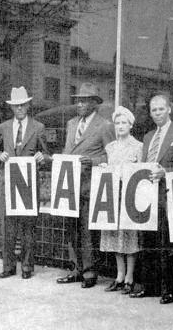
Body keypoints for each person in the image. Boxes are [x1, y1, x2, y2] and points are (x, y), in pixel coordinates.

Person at [130, 95, 173, 303]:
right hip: (147, 196)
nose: (157, 113)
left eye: (161, 109)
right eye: (154, 110)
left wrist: (166, 172)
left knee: (166, 245)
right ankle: (149, 286)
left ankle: (168, 290)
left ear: (169, 109)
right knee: (148, 242)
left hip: (167, 196)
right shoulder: (147, 137)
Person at [56, 82, 115, 289]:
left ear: (94, 104)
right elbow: (66, 151)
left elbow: (112, 155)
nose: (79, 104)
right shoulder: (72, 123)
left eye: (83, 101)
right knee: (71, 229)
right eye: (77, 101)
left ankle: (90, 271)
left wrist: (95, 162)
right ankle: (75, 269)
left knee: (87, 231)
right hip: (69, 184)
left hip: (91, 186)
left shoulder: (105, 125)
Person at [0, 86, 50, 279]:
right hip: (8, 182)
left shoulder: (38, 127)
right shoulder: (4, 127)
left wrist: (42, 157)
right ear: (11, 107)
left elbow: (46, 154)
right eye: (15, 106)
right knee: (8, 226)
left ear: (28, 105)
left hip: (27, 182)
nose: (19, 109)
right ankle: (8, 266)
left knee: (27, 227)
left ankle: (27, 266)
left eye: (22, 105)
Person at [99, 106, 143, 295]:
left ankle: (130, 277)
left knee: (129, 235)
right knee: (115, 235)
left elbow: (141, 171)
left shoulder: (138, 146)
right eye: (117, 123)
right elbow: (110, 168)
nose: (120, 126)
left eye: (124, 122)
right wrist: (104, 167)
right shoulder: (110, 147)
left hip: (130, 197)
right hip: (113, 197)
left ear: (131, 125)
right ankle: (119, 275)